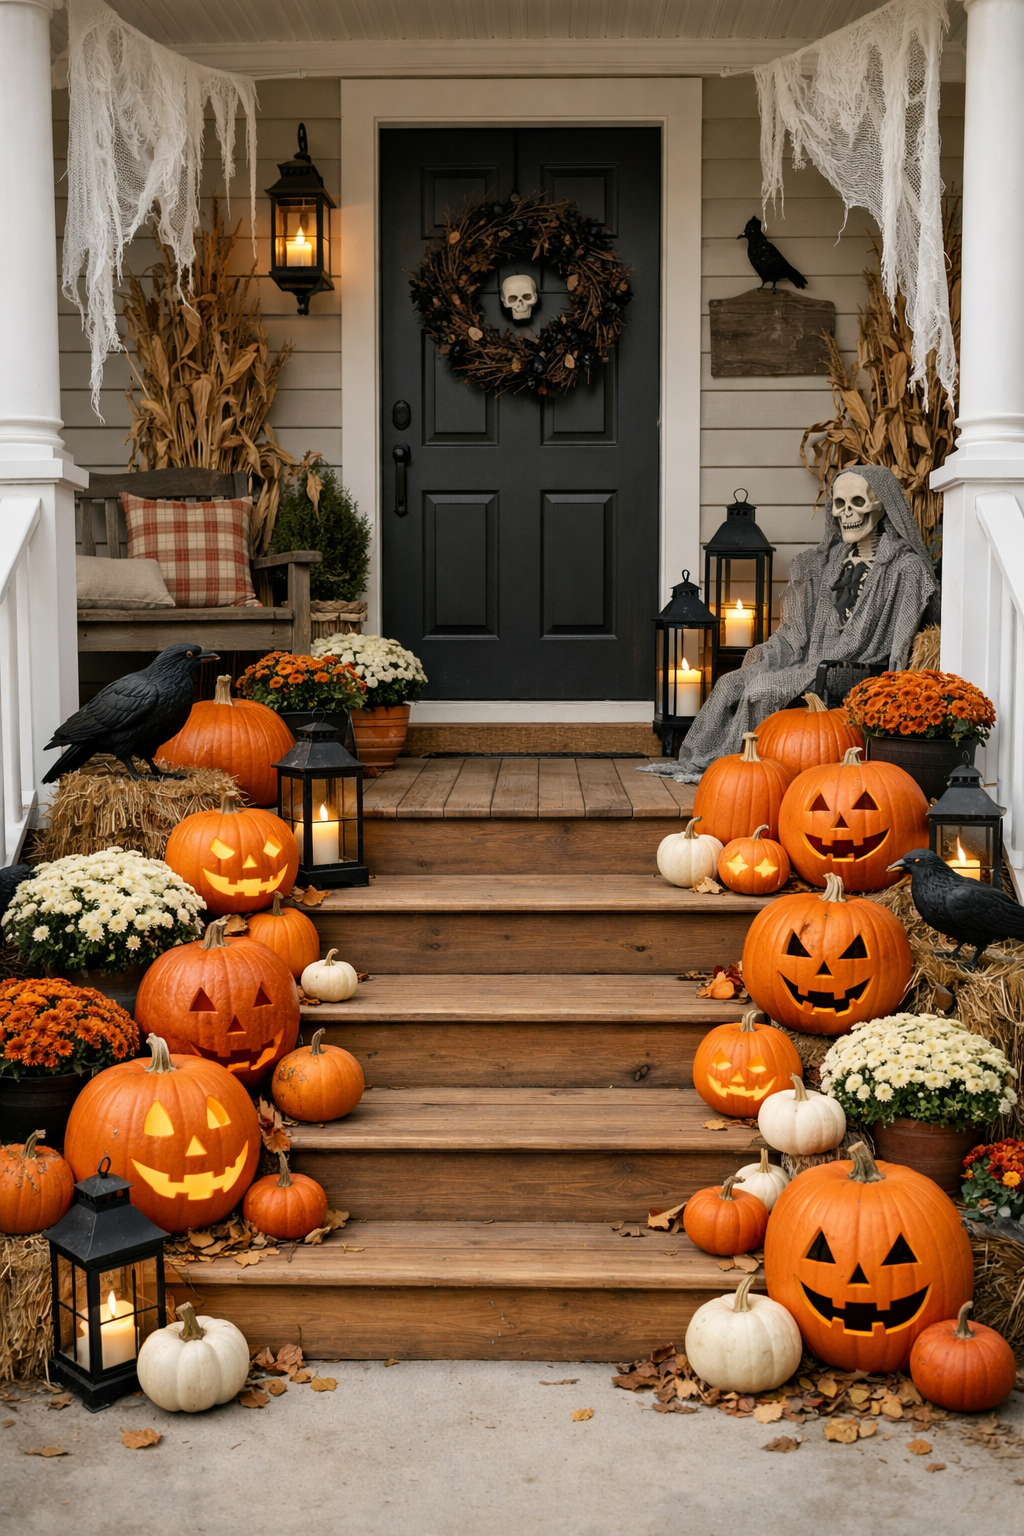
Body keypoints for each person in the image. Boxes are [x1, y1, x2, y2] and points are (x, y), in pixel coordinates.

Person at [641, 464, 938, 783]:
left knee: (762, 688)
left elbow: (900, 646)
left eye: (857, 502)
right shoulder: (825, 564)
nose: (846, 513)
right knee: (730, 682)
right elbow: (795, 633)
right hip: (807, 662)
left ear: (883, 504)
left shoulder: (904, 570)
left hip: (849, 670)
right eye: (839, 504)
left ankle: (739, 768)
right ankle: (705, 761)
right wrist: (766, 654)